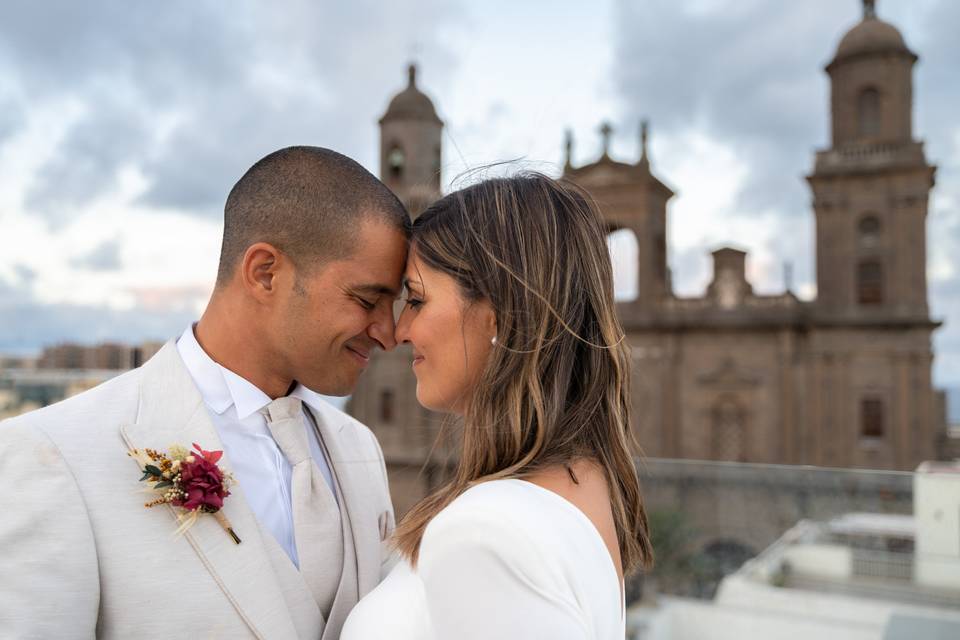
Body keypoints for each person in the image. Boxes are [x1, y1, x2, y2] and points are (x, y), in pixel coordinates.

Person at [0, 146, 408, 639]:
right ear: (265, 273)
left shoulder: (359, 447)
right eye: (367, 300)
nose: (389, 333)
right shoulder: (55, 454)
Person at [341, 172, 654, 639]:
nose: (399, 330)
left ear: (500, 314)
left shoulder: (485, 532)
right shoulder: (587, 482)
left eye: (418, 300)